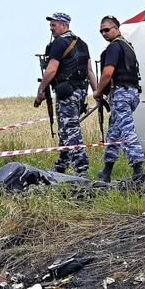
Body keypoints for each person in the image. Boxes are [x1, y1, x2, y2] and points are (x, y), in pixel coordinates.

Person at [34, 12, 98, 177]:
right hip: (80, 91)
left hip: (66, 92)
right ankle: (61, 166)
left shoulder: (59, 43)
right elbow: (89, 71)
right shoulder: (82, 43)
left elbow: (51, 69)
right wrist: (96, 91)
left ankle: (81, 168)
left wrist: (41, 90)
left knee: (70, 129)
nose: (51, 28)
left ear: (64, 25)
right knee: (65, 129)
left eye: (53, 25)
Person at [93, 15, 145, 182]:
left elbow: (108, 72)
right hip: (131, 92)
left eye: (106, 29)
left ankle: (138, 169)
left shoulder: (114, 47)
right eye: (101, 31)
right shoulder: (128, 46)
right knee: (114, 132)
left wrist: (98, 91)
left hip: (121, 94)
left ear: (116, 28)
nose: (103, 33)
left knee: (126, 130)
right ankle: (107, 170)